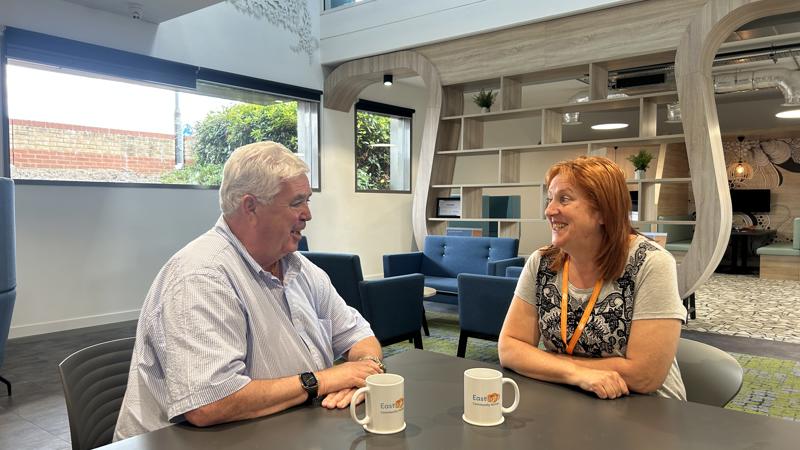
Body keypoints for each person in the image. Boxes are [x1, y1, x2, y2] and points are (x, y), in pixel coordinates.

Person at [114, 142, 384, 440]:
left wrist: (362, 370)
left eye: (307, 201)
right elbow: (209, 403)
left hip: (282, 434)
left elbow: (359, 335)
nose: (308, 214)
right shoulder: (201, 276)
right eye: (296, 203)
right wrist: (320, 381)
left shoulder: (302, 269)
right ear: (251, 207)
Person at [498, 156, 686, 400]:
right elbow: (509, 348)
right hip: (569, 396)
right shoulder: (542, 262)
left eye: (564, 199)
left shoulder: (650, 263)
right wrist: (576, 374)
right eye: (550, 199)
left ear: (603, 212)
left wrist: (548, 362)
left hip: (645, 409)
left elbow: (645, 375)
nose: (549, 210)